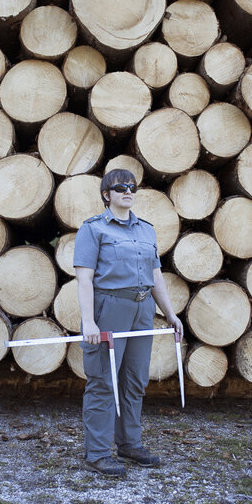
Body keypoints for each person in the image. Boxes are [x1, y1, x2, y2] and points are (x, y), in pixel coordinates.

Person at [73, 168, 184, 477]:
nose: (128, 190)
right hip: (109, 307)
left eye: (132, 186)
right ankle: (97, 453)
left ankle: (129, 444)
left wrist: (171, 314)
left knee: (134, 380)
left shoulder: (146, 230)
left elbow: (156, 277)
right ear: (106, 194)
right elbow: (84, 279)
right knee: (103, 380)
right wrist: (89, 322)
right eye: (120, 186)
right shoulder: (93, 230)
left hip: (142, 309)